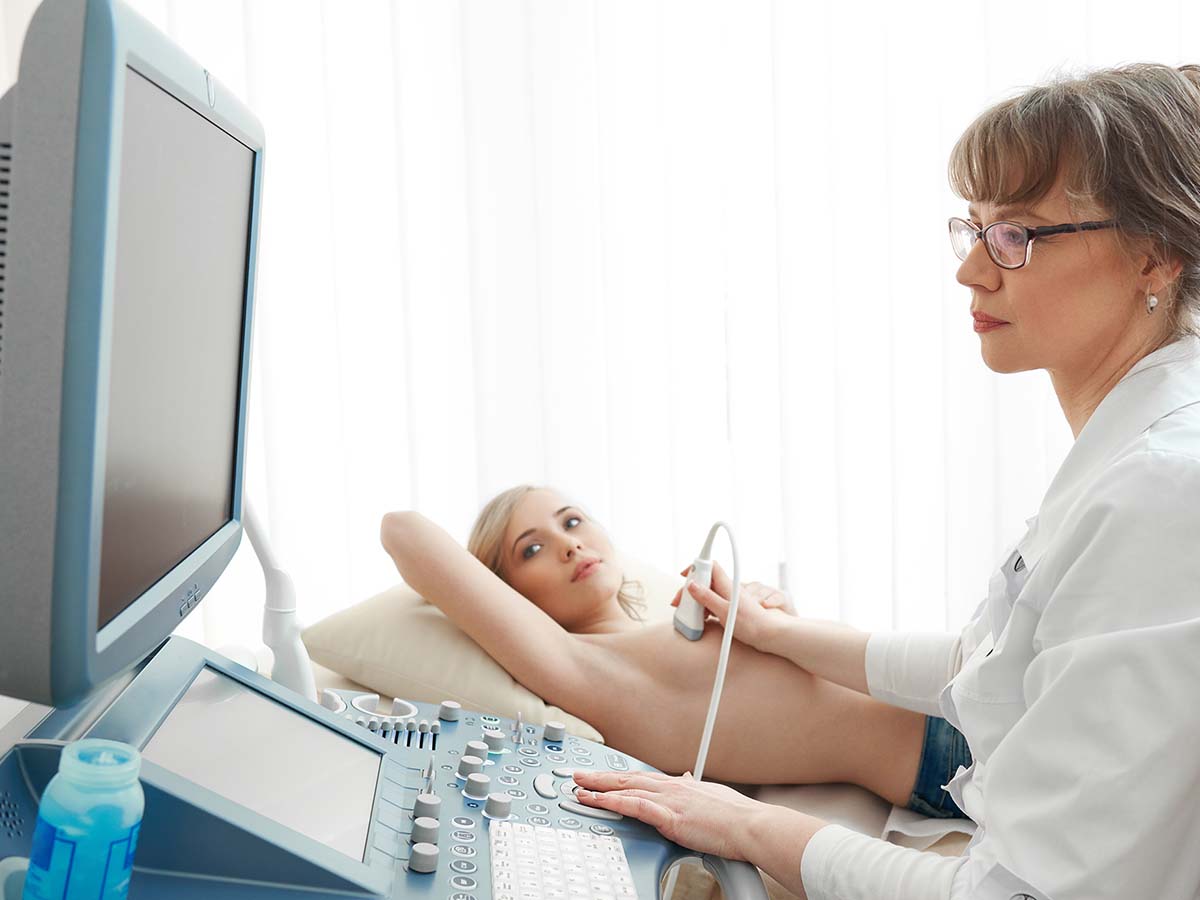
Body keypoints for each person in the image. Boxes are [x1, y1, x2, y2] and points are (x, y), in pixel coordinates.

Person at [569, 62, 1200, 900]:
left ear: (1155, 257)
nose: (971, 272)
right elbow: (995, 661)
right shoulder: (1132, 456)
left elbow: (1015, 894)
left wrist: (743, 823)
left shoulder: (1159, 495)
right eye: (970, 229)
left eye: (1015, 235)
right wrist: (787, 634)